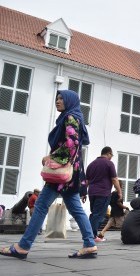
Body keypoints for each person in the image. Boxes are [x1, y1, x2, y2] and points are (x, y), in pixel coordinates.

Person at [1, 90, 96, 259]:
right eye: (57, 98)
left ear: (70, 101)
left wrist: (50, 157)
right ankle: (89, 244)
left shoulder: (70, 118)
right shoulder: (73, 117)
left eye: (61, 98)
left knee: (41, 206)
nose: (58, 101)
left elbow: (71, 145)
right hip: (70, 174)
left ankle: (23, 246)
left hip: (61, 173)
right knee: (76, 209)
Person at [84, 146, 122, 242]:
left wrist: (83, 193)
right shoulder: (109, 164)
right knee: (99, 215)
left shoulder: (91, 164)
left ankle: (90, 234)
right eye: (111, 155)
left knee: (94, 214)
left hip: (92, 192)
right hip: (103, 192)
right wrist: (119, 192)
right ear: (108, 153)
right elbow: (114, 179)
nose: (111, 157)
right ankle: (91, 236)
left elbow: (86, 181)